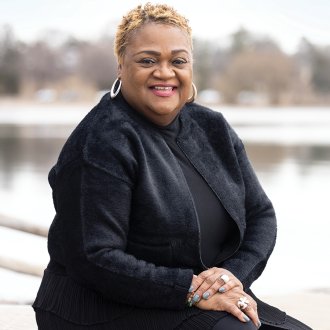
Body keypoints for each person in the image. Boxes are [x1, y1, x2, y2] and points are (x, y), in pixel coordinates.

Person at [33, 3, 312, 330]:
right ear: (121, 66)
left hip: (192, 298)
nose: (165, 72)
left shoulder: (212, 128)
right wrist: (191, 290)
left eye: (177, 61)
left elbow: (260, 214)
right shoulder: (102, 140)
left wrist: (230, 276)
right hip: (96, 308)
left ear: (190, 67)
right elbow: (97, 258)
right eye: (148, 60)